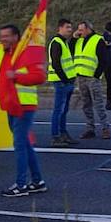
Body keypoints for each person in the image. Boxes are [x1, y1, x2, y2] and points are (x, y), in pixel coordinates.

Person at [0, 24, 47, 197]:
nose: (3, 39)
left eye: (6, 36)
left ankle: (21, 184)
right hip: (10, 104)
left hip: (23, 105)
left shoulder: (25, 53)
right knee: (24, 144)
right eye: (1, 36)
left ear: (16, 37)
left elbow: (40, 76)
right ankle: (38, 181)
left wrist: (16, 76)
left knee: (20, 144)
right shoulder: (2, 52)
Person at [73, 22, 111, 140]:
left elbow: (104, 60)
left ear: (88, 29)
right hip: (80, 76)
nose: (79, 32)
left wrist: (96, 75)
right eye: (78, 30)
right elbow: (70, 50)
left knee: (98, 103)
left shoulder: (98, 40)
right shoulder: (79, 40)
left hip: (92, 78)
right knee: (86, 104)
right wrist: (73, 38)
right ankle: (90, 128)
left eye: (81, 30)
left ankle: (105, 128)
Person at [48, 19, 78, 147]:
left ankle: (63, 133)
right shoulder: (57, 42)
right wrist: (65, 79)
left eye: (70, 27)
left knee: (63, 110)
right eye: (67, 27)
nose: (70, 30)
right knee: (58, 110)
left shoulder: (63, 42)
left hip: (67, 81)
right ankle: (55, 136)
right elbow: (56, 64)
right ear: (60, 28)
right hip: (61, 82)